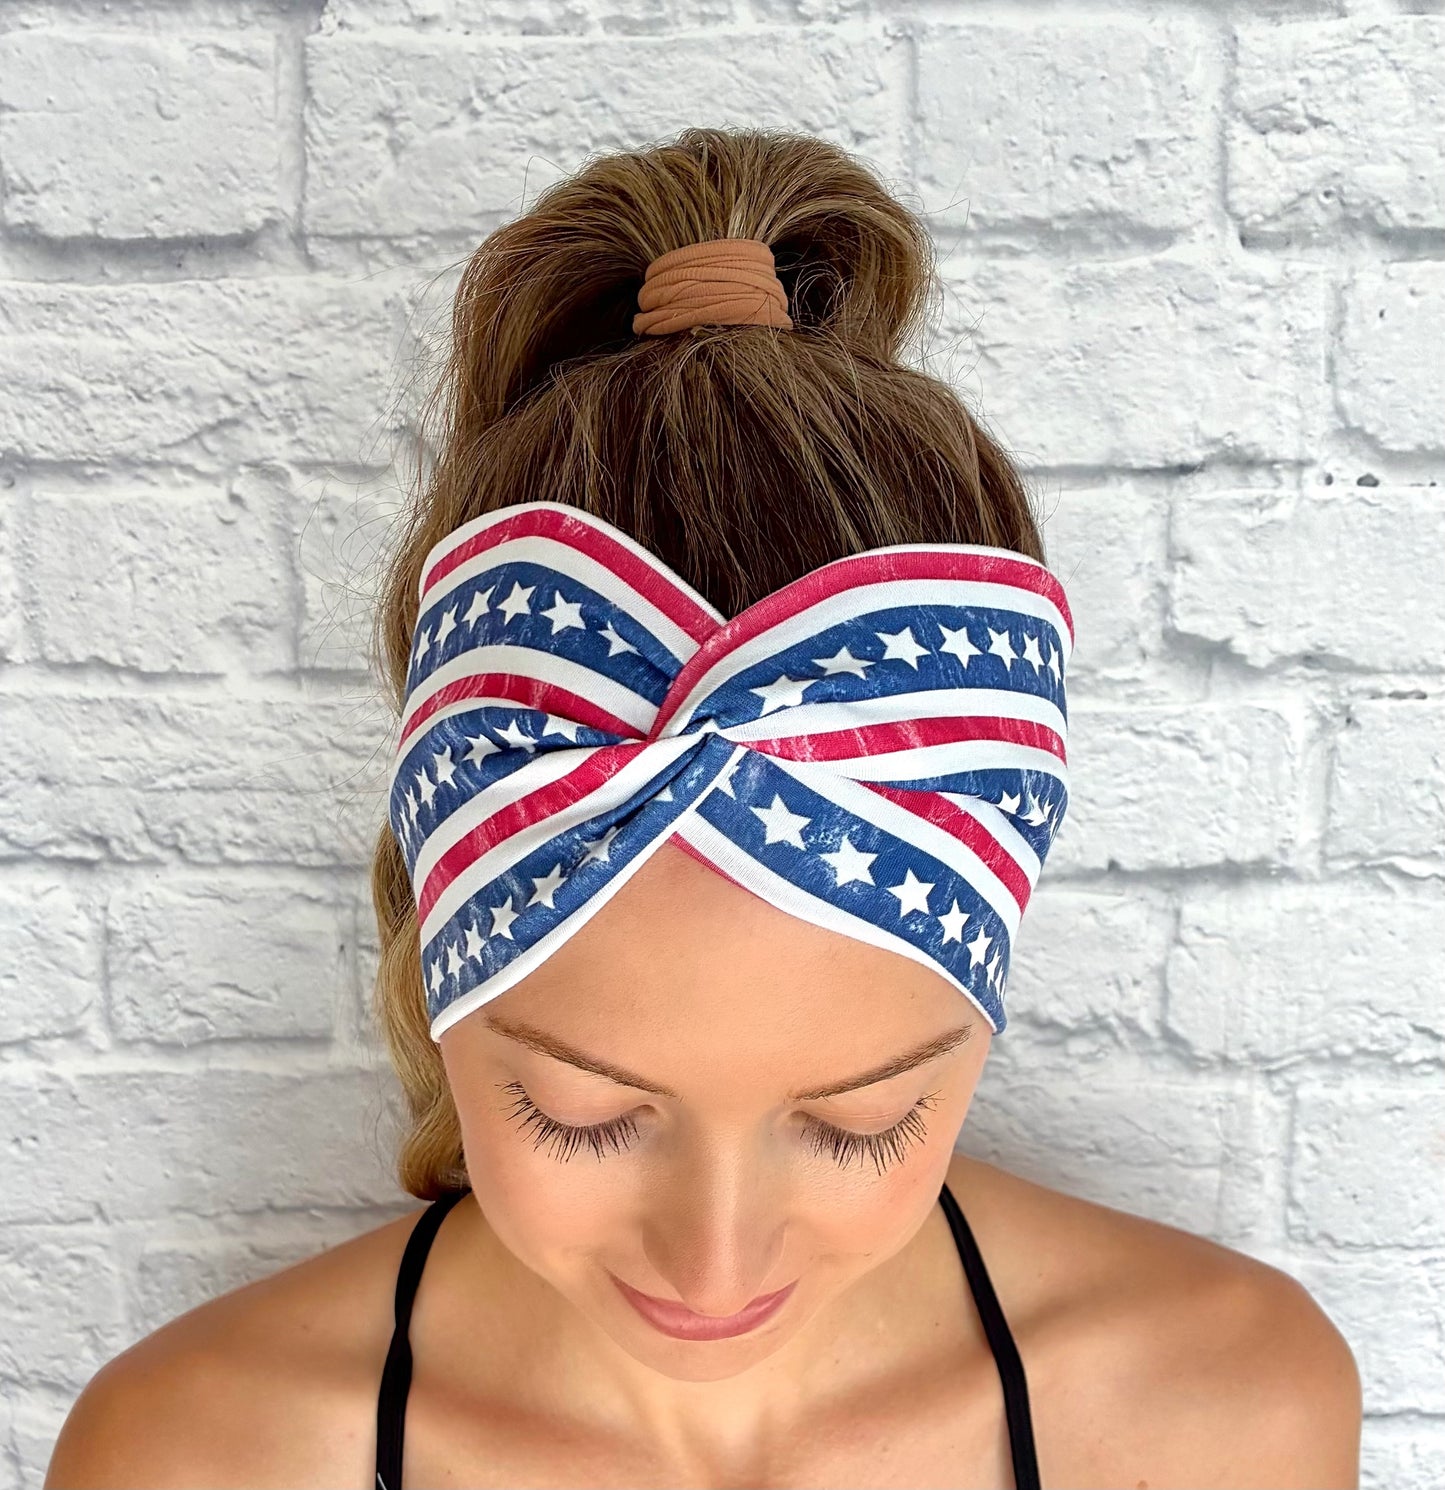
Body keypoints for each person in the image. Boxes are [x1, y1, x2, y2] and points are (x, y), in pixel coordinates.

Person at [46, 125, 1360, 1489]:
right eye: (575, 1112)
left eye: (864, 1123)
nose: (712, 1261)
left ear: (977, 1014)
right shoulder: (197, 1457)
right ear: (439, 974)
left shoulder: (1216, 1420)